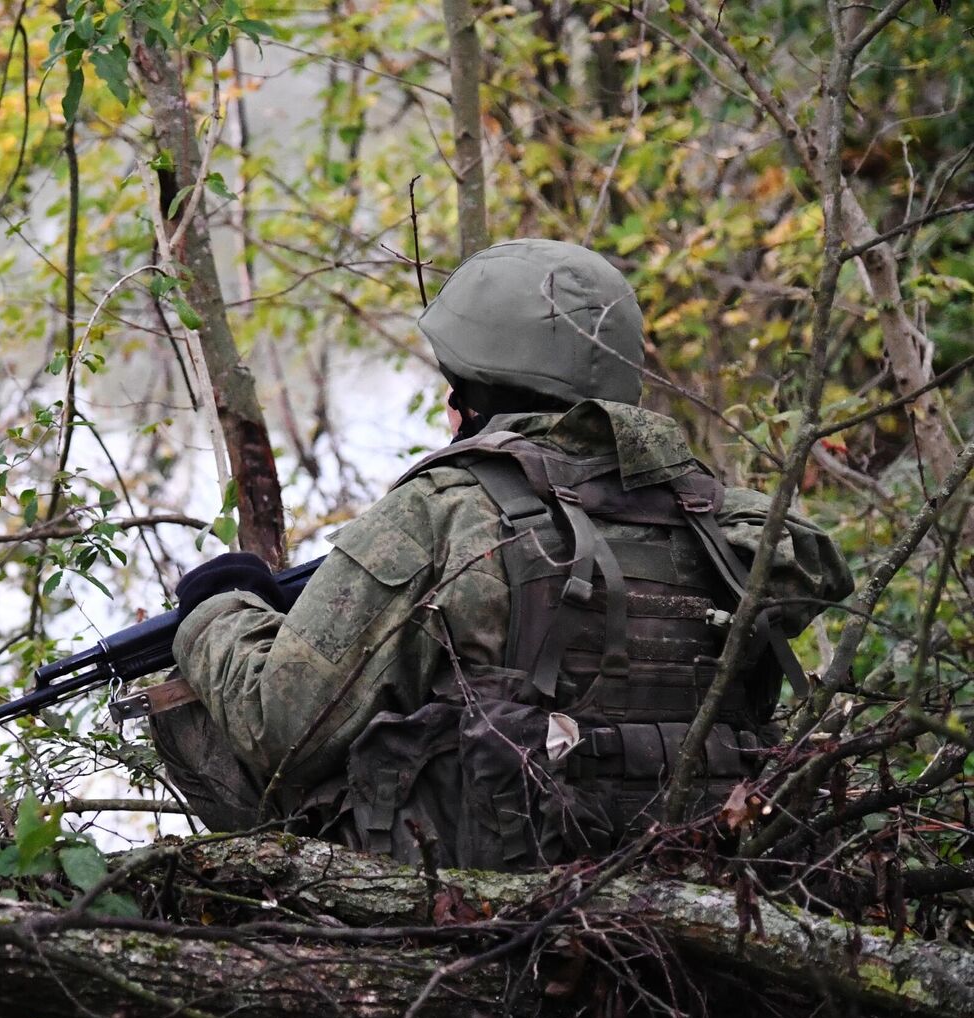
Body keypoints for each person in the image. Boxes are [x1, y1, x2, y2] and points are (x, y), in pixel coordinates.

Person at [153, 238, 853, 869]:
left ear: (469, 390)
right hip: (710, 866)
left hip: (491, 899)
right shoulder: (713, 513)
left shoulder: (447, 510)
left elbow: (283, 727)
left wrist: (216, 613)